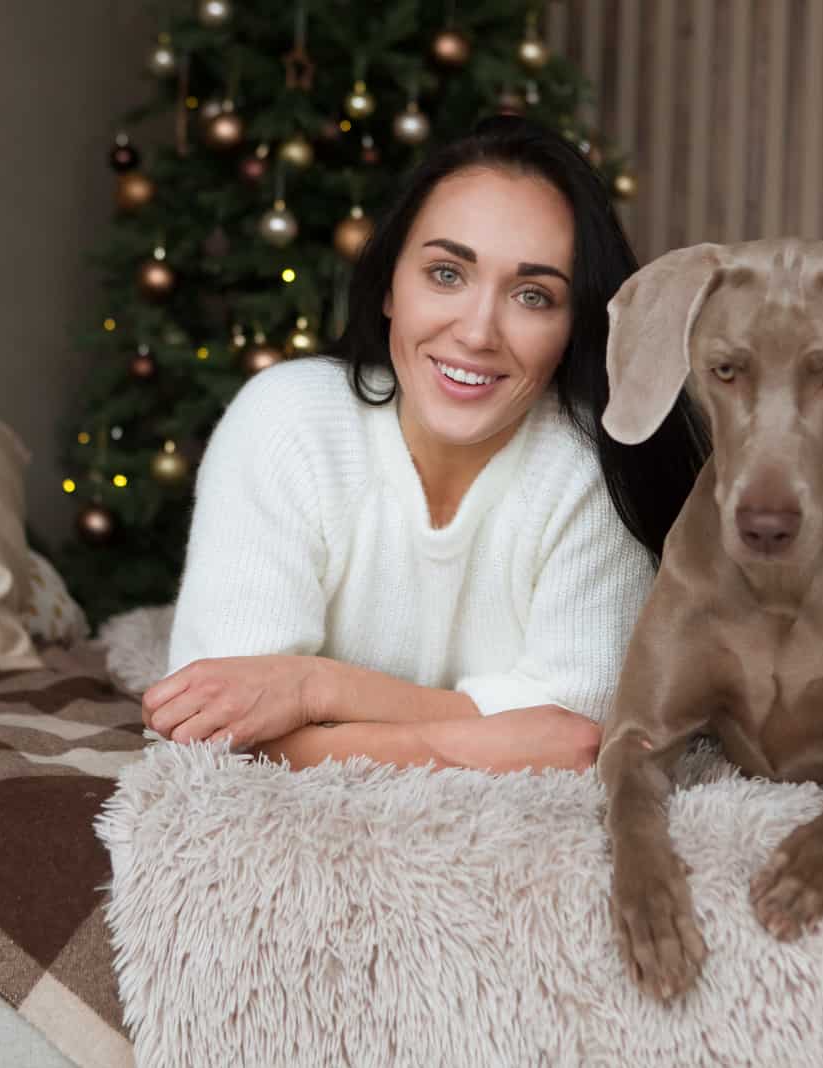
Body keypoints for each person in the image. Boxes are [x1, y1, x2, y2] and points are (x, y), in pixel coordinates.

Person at [141, 115, 705, 774]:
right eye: (446, 274)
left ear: (572, 325)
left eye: (532, 295)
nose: (476, 332)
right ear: (389, 286)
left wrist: (312, 688)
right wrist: (479, 740)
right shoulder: (286, 421)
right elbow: (214, 723)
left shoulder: (590, 467)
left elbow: (582, 729)